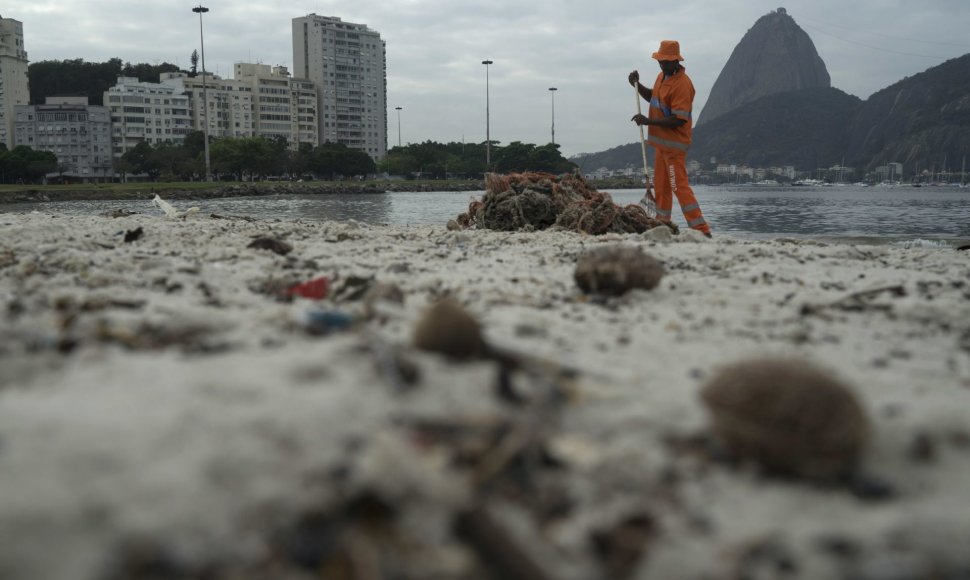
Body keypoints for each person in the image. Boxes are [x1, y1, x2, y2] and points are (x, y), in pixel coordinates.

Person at [629, 40, 712, 237]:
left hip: (675, 149)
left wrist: (648, 121)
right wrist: (637, 85)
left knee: (678, 187)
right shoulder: (662, 77)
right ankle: (661, 226)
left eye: (666, 62)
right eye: (660, 61)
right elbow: (653, 97)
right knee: (662, 188)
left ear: (676, 61)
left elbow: (678, 120)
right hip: (660, 147)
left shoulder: (682, 85)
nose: (662, 64)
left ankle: (701, 230)